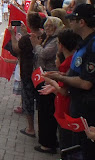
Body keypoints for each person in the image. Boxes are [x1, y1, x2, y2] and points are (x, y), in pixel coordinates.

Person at [45, 3, 95, 159]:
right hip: (80, 103)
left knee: (87, 151)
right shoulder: (86, 42)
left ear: (82, 22)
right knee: (78, 148)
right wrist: (61, 75)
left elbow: (86, 83)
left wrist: (60, 77)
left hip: (89, 106)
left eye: (73, 20)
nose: (71, 23)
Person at [32, 16, 63, 154]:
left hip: (50, 80)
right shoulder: (49, 38)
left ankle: (48, 144)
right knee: (44, 112)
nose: (47, 28)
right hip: (44, 78)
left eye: (51, 26)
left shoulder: (56, 40)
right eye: (46, 26)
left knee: (47, 113)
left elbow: (43, 54)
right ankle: (48, 141)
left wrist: (36, 45)